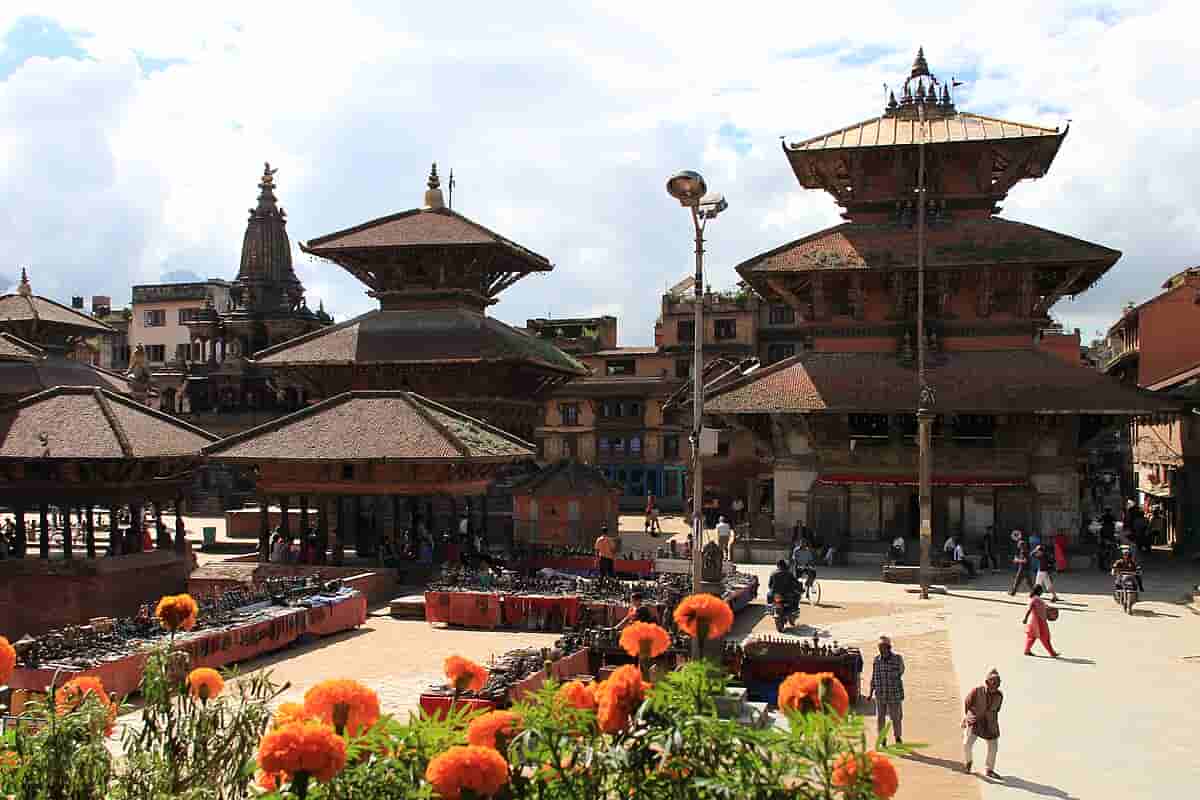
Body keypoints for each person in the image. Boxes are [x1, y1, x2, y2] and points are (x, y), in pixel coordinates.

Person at [963, 669, 1004, 778]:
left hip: (990, 724)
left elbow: (997, 709)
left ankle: (989, 769)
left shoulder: (999, 695)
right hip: (976, 721)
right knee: (967, 744)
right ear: (986, 683)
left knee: (993, 747)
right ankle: (968, 762)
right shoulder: (976, 691)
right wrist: (966, 717)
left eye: (997, 685)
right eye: (993, 684)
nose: (995, 687)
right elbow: (967, 703)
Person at [868, 635, 905, 746]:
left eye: (883, 647)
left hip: (894, 694)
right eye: (879, 647)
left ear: (888, 647)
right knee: (880, 718)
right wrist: (870, 693)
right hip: (880, 694)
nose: (880, 649)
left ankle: (898, 737)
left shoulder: (897, 658)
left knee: (896, 717)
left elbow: (901, 670)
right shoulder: (876, 660)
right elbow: (874, 676)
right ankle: (882, 739)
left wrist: (893, 675)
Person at [1022, 585, 1058, 657]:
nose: (1042, 592)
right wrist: (1025, 618)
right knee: (1045, 638)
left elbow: (1043, 606)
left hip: (1034, 622)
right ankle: (1052, 653)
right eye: (1041, 590)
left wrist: (1049, 608)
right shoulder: (1035, 599)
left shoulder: (1035, 598)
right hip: (1040, 622)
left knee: (1032, 637)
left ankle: (1027, 650)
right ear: (1038, 591)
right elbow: (1030, 609)